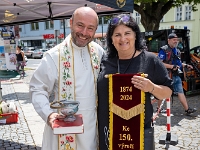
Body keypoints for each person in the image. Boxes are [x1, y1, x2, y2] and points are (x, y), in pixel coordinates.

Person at [29, 7, 104, 150]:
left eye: (90, 28)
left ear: (95, 30)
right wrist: (49, 115)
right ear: (71, 23)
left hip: (93, 129)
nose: (84, 32)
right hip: (63, 129)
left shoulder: (99, 52)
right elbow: (37, 89)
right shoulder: (53, 56)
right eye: (80, 25)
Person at [97, 14, 172, 150]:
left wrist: (151, 87)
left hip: (140, 135)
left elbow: (168, 92)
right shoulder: (103, 61)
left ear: (135, 35)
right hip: (109, 134)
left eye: (127, 33)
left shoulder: (150, 60)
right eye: (117, 35)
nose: (123, 38)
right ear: (111, 39)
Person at [157, 33, 197, 115]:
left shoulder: (177, 50)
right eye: (174, 40)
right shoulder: (163, 50)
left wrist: (185, 65)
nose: (176, 41)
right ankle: (159, 108)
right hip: (166, 75)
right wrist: (171, 66)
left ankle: (187, 109)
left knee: (180, 91)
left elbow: (179, 63)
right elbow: (159, 63)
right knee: (161, 92)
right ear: (169, 40)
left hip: (176, 75)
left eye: (177, 40)